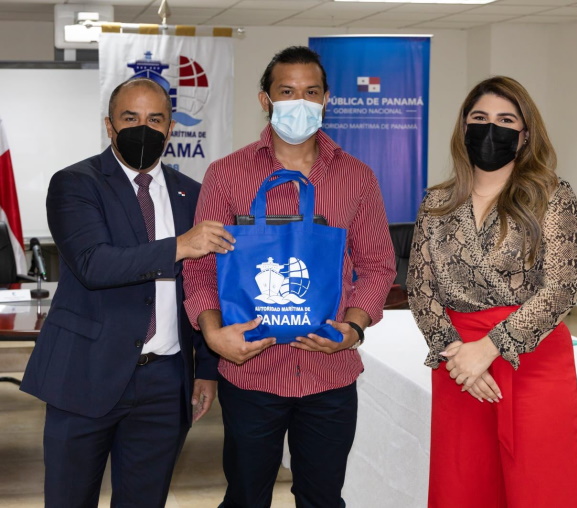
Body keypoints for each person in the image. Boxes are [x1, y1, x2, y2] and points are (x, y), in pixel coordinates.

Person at [183, 46, 396, 508]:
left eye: (311, 92)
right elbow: (200, 268)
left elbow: (378, 264)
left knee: (322, 498)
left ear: (326, 100)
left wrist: (354, 328)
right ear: (265, 100)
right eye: (287, 91)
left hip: (329, 372)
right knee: (246, 497)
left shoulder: (357, 177)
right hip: (251, 372)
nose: (300, 102)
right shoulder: (226, 175)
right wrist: (213, 335)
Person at [20, 77, 235, 508]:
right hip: (85, 373)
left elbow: (204, 284)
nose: (143, 128)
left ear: (171, 128)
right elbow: (93, 264)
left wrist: (208, 369)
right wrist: (179, 246)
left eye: (155, 119)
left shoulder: (192, 194)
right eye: (130, 118)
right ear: (109, 125)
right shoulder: (76, 183)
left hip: (165, 381)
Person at [407, 76, 577, 508]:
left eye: (506, 120)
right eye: (480, 118)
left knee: (539, 486)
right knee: (463, 485)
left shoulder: (552, 196)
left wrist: (489, 348)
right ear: (464, 127)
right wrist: (457, 355)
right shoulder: (436, 202)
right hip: (458, 364)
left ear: (524, 135)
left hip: (533, 360)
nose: (492, 129)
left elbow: (561, 288)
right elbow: (419, 286)